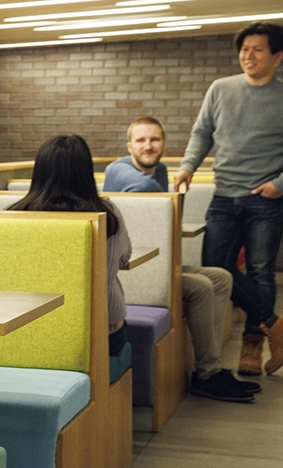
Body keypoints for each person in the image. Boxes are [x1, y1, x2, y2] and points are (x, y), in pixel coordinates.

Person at [176, 22, 283, 377]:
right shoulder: (220, 89)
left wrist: (280, 184)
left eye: (257, 49)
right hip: (224, 196)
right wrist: (187, 167)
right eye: (244, 49)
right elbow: (201, 133)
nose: (248, 55)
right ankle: (277, 326)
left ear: (277, 56)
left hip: (265, 201)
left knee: (260, 271)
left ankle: (252, 348)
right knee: (215, 269)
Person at [103, 117, 256, 403]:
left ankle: (209, 366)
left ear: (164, 143)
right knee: (200, 287)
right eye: (141, 140)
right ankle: (208, 373)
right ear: (129, 146)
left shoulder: (160, 170)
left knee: (221, 277)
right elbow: (152, 198)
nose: (148, 146)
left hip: (155, 263)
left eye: (154, 140)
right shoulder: (119, 170)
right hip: (127, 270)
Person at [9, 135, 132, 360]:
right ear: (85, 172)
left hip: (31, 331)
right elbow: (125, 257)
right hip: (105, 333)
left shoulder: (17, 214)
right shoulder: (107, 212)